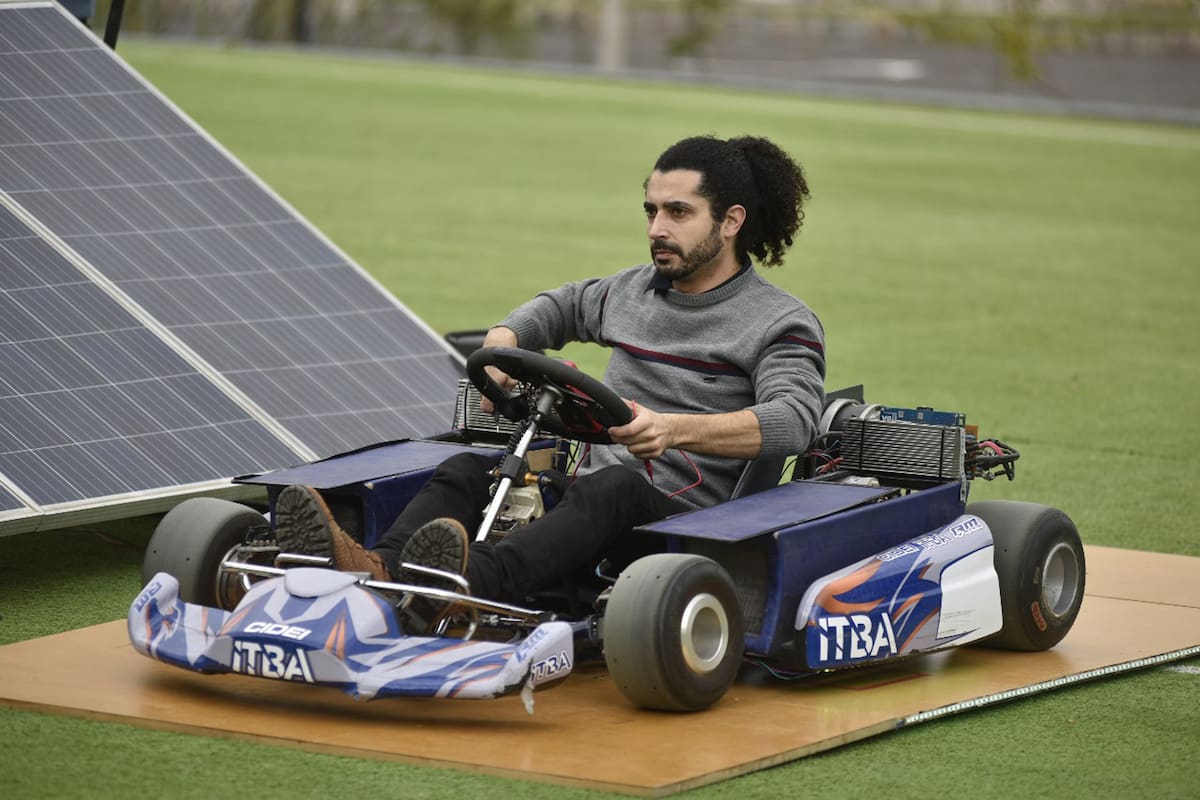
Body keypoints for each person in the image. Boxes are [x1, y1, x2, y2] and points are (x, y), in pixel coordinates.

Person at [275, 134, 826, 631]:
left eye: (679, 212)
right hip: (586, 506)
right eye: (652, 210)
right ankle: (380, 572)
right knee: (469, 470)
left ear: (730, 221)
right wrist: (503, 342)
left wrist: (674, 429)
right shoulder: (627, 292)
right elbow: (554, 309)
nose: (658, 228)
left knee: (614, 487)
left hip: (684, 529)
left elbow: (794, 421)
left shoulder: (778, 322)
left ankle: (464, 584)